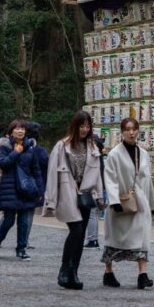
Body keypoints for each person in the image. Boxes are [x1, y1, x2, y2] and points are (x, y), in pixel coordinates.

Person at [44, 111, 104, 290]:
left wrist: (100, 196)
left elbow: (97, 174)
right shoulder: (62, 146)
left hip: (85, 194)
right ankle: (64, 269)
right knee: (76, 230)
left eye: (87, 126)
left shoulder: (93, 147)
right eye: (82, 125)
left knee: (81, 233)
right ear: (75, 126)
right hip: (67, 193)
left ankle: (74, 272)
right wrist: (50, 200)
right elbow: (52, 174)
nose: (85, 129)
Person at [101, 117, 154, 290]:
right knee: (115, 238)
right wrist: (114, 200)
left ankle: (142, 274)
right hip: (122, 201)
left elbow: (148, 180)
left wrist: (152, 204)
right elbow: (110, 178)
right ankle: (108, 271)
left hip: (141, 203)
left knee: (142, 238)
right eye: (127, 129)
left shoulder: (144, 154)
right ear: (122, 132)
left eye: (134, 129)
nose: (131, 132)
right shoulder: (114, 154)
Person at [0, 120, 41, 260]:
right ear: (11, 131)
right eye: (17, 128)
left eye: (22, 128)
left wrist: (40, 189)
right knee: (8, 220)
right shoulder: (5, 146)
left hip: (26, 188)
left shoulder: (30, 147)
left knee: (23, 221)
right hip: (10, 187)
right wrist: (15, 153)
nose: (20, 131)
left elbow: (36, 169)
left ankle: (21, 249)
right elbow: (3, 164)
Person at [84, 133, 108, 249]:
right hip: (100, 186)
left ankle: (92, 240)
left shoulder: (93, 155)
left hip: (93, 187)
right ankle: (92, 239)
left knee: (91, 214)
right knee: (94, 214)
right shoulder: (99, 155)